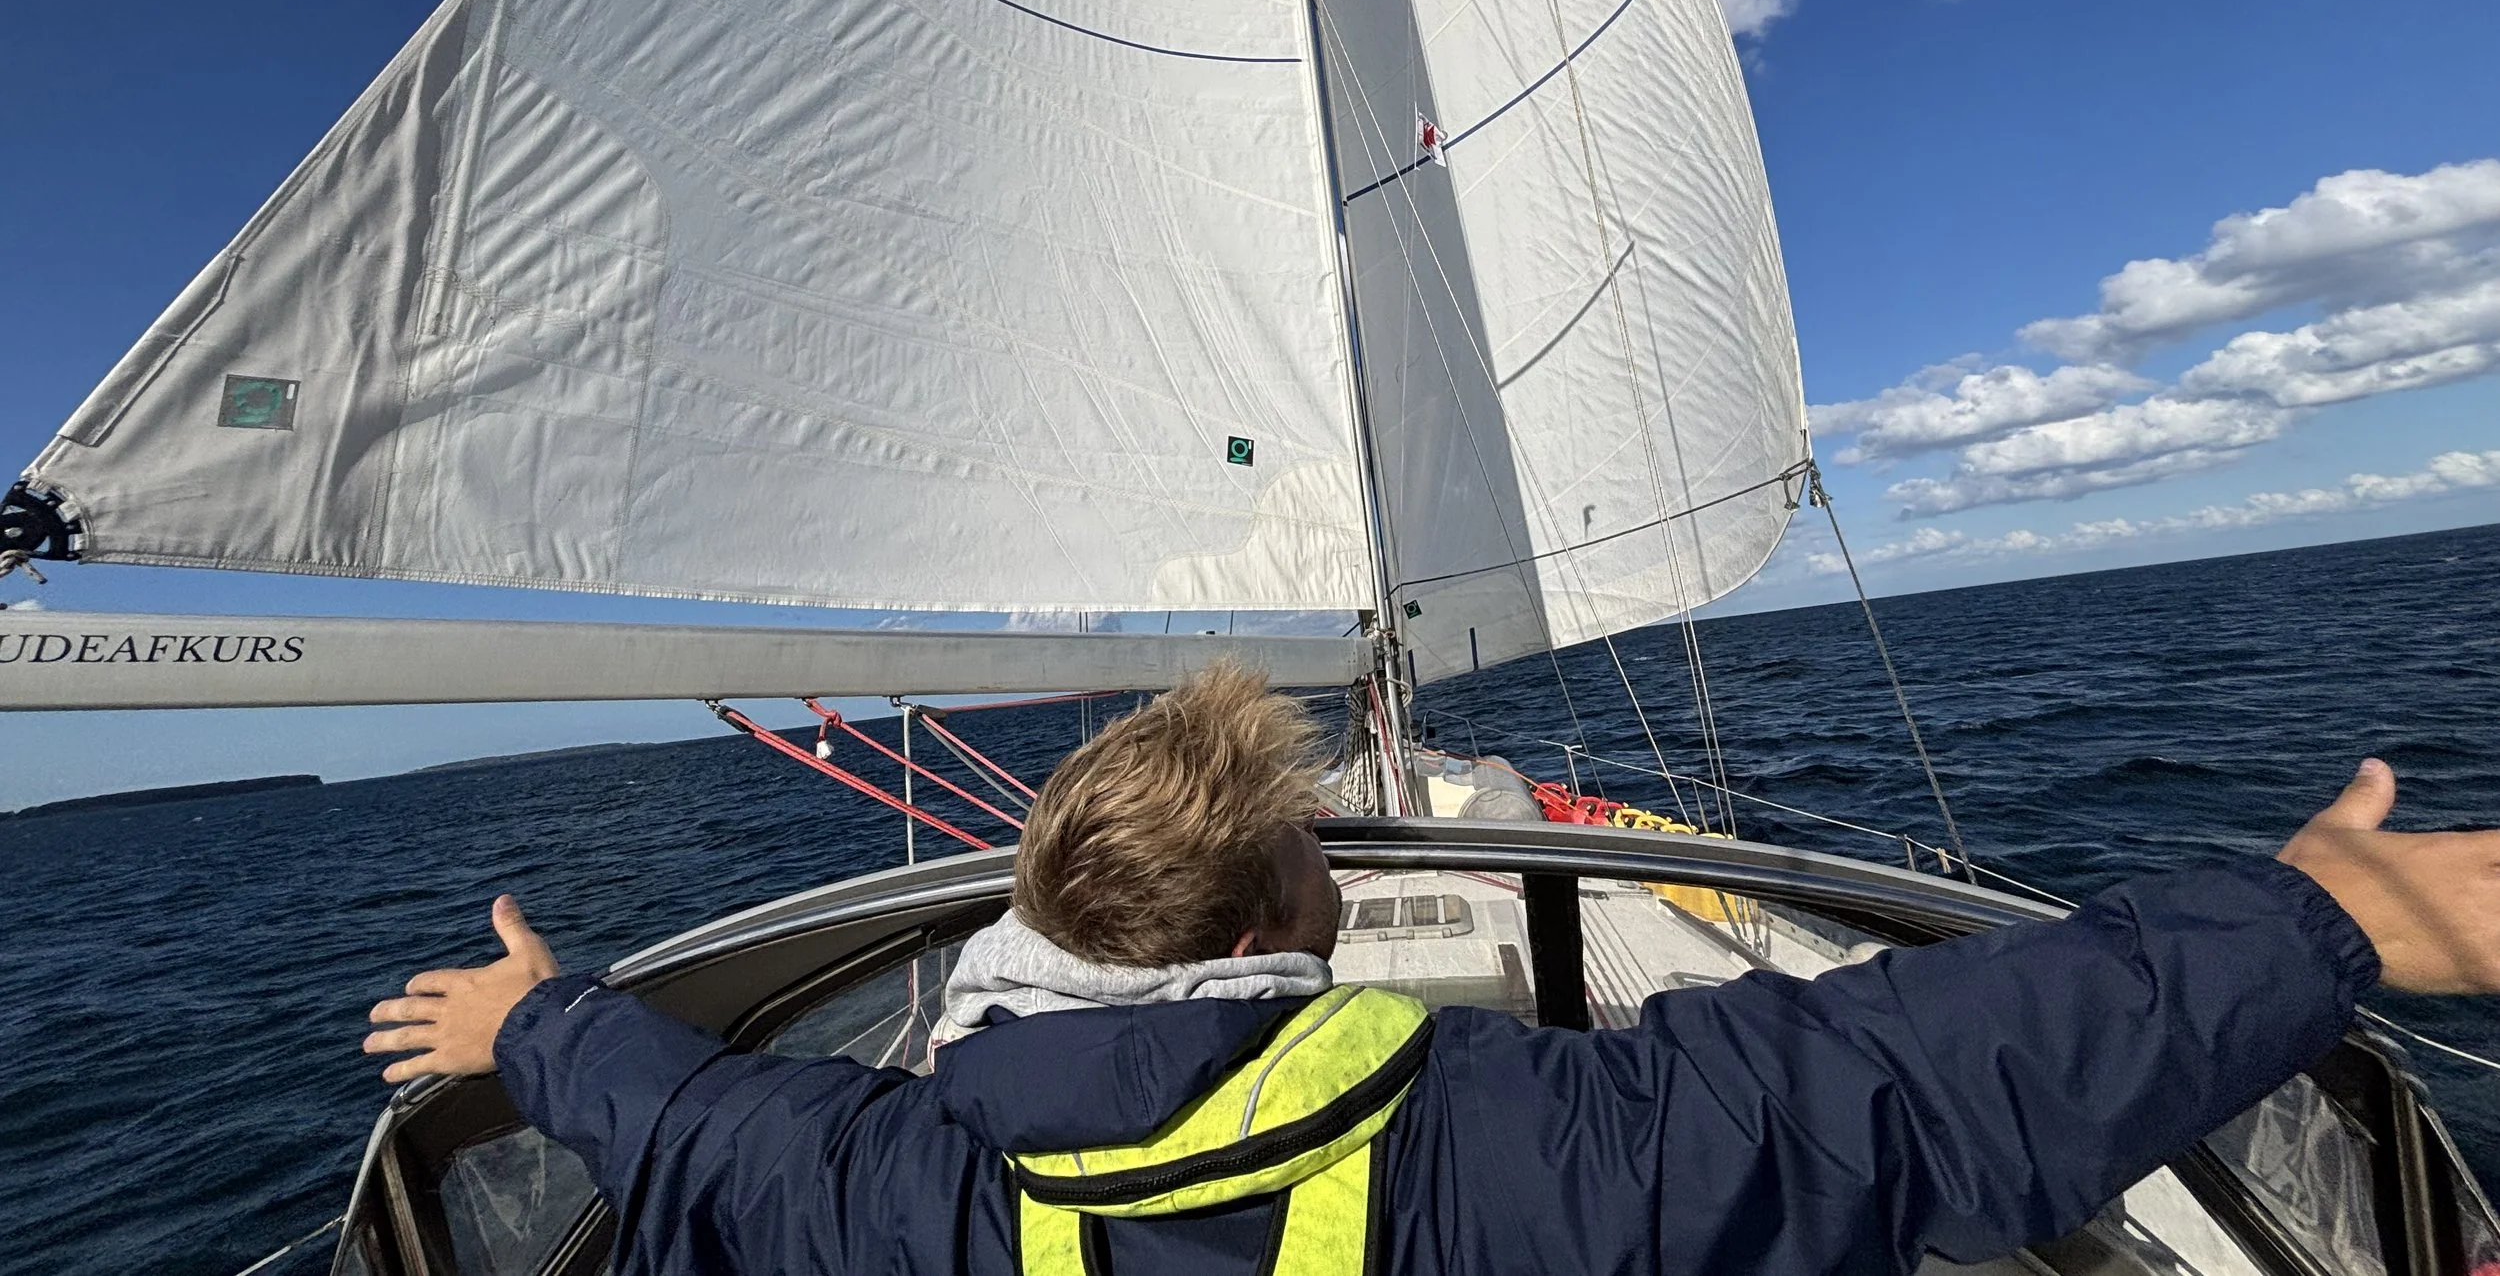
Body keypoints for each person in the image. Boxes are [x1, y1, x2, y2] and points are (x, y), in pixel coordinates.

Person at [366, 664, 2500, 1276]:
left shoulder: (886, 1177)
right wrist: (2323, 913)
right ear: (1261, 928)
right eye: (1307, 845)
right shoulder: (1498, 1144)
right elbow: (1900, 1088)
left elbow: (691, 1120)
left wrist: (520, 1022)